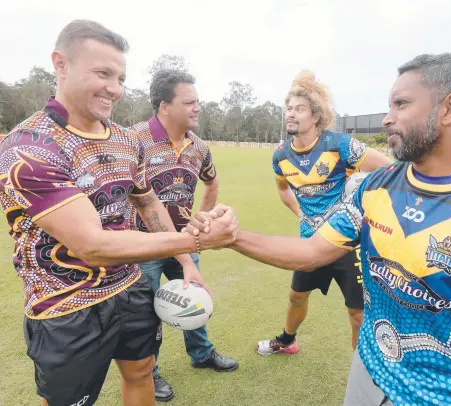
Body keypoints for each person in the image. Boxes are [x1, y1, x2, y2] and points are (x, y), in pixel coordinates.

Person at [190, 54, 451, 405]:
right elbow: (311, 252)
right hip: (368, 373)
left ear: (450, 108)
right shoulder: (374, 187)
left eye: (401, 104)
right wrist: (233, 237)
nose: (386, 119)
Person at [0, 20, 236, 406]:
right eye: (103, 73)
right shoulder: (29, 147)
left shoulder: (125, 140)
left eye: (121, 77)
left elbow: (148, 203)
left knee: (141, 371)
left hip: (131, 286)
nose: (115, 88)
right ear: (60, 64)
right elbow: (92, 245)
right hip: (67, 304)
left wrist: (186, 260)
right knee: (68, 401)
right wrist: (198, 240)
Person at [257, 71, 392, 355]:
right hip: (310, 243)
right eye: (289, 109)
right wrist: (300, 214)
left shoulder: (339, 144)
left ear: (316, 116)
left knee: (357, 313)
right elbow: (283, 191)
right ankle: (287, 340)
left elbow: (388, 169)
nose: (291, 114)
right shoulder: (280, 155)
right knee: (296, 298)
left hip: (347, 244)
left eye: (299, 109)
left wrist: (358, 199)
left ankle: (362, 367)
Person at [129, 69, 238, 403]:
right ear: (165, 106)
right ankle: (150, 372)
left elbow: (212, 183)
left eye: (197, 102)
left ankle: (202, 354)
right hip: (141, 245)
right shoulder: (134, 140)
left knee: (194, 297)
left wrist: (199, 222)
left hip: (186, 240)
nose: (197, 108)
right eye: (189, 102)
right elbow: (139, 202)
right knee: (147, 312)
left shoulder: (199, 146)